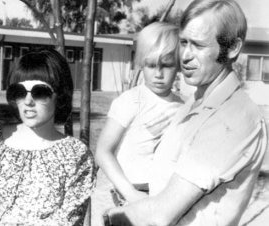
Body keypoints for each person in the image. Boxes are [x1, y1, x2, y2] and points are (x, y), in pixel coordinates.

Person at [104, 0, 268, 225]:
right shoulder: (193, 103)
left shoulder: (234, 117)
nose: (185, 56)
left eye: (198, 45)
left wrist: (111, 217)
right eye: (183, 42)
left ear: (232, 48)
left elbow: (160, 214)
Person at [0, 49, 95, 226]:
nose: (28, 101)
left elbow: (68, 220)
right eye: (19, 92)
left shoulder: (77, 155)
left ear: (59, 96)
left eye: (39, 92)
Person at [92, 22, 183, 225]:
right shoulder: (131, 100)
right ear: (141, 63)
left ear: (178, 64)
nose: (158, 74)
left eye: (167, 65)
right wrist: (130, 193)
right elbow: (103, 152)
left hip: (159, 195)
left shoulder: (182, 106)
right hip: (120, 192)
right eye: (151, 65)